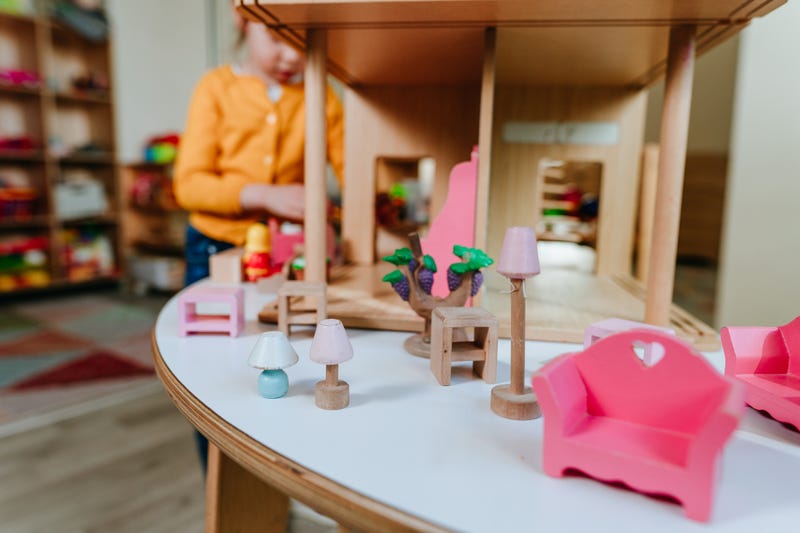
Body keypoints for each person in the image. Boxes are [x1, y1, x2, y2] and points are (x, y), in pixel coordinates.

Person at [173, 11, 344, 468]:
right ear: (242, 15)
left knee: (279, 364)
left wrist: (342, 215)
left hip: (288, 251)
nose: (291, 56)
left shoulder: (323, 97)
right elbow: (188, 185)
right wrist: (266, 194)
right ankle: (219, 478)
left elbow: (355, 172)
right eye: (277, 36)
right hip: (214, 244)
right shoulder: (216, 88)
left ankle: (271, 477)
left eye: (303, 41)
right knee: (211, 373)